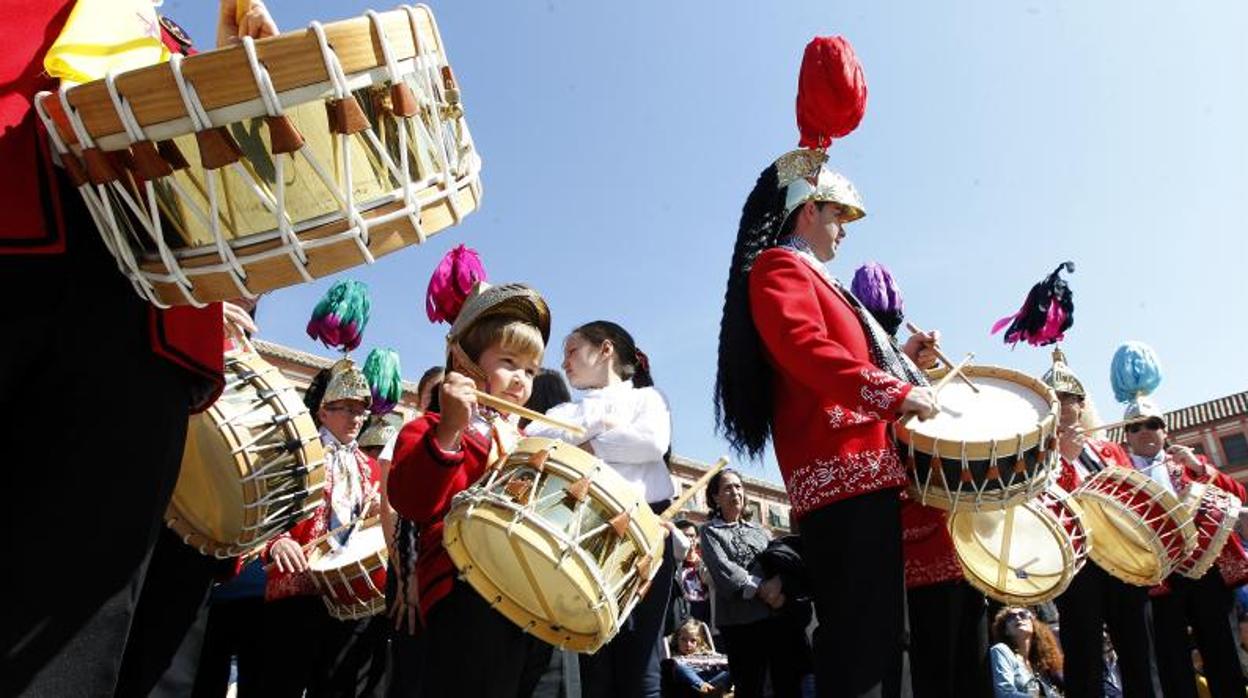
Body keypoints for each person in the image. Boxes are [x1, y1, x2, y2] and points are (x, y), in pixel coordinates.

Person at [714, 143, 939, 697]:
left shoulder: (816, 277)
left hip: (868, 471)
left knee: (884, 638)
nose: (844, 230)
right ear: (809, 211)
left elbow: (850, 350)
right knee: (860, 643)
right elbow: (805, 349)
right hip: (838, 471)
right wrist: (893, 391)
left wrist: (902, 358)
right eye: (838, 215)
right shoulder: (777, 266)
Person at [387, 281, 554, 697]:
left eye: (531, 371)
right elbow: (412, 500)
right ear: (468, 362)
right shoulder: (430, 427)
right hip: (465, 595)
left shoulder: (530, 443)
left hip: (528, 599)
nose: (521, 379)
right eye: (509, 362)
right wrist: (449, 429)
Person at [524, 321, 676, 698]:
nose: (564, 362)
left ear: (605, 350)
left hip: (643, 539)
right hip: (577, 539)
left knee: (641, 671)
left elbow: (651, 441)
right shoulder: (563, 409)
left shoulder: (648, 399)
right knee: (592, 671)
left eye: (572, 350)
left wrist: (588, 446)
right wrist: (599, 425)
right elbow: (532, 444)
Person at [259, 357, 388, 697]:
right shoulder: (299, 453)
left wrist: (378, 515)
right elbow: (267, 508)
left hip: (345, 594)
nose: (355, 418)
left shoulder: (372, 469)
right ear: (323, 411)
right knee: (279, 684)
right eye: (345, 408)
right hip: (296, 587)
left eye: (360, 410)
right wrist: (277, 542)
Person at [1042, 348, 1157, 698]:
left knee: (1139, 652)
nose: (1063, 405)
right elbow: (1043, 506)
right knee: (1083, 653)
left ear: (1081, 404)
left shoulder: (1110, 450)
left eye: (1069, 398)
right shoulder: (1036, 455)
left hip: (1122, 559)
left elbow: (1135, 496)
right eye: (1055, 399)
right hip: (1079, 564)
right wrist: (1064, 459)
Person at [1123, 405, 1248, 698]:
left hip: (1207, 569)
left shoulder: (1192, 463)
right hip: (1160, 578)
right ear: (1126, 436)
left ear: (1165, 430)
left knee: (1223, 650)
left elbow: (1238, 497)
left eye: (1152, 423)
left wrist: (1200, 467)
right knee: (1172, 660)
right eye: (1135, 427)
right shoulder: (1123, 473)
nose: (1144, 431)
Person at [698, 469, 811, 697]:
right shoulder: (709, 532)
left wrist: (777, 585)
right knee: (749, 685)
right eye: (728, 488)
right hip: (738, 622)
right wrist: (761, 588)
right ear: (715, 497)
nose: (735, 492)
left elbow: (774, 559)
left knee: (784, 682)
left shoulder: (760, 530)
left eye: (739, 487)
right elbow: (723, 568)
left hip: (773, 618)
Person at [988, 607, 1064, 697]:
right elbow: (1005, 694)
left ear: (1033, 625)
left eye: (1023, 615)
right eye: (1010, 617)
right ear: (1006, 631)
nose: (1017, 618)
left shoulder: (1039, 663)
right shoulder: (1001, 650)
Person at [668, 619, 731, 696]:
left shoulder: (706, 653)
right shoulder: (676, 655)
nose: (688, 644)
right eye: (683, 640)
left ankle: (709, 691)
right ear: (677, 640)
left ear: (699, 641)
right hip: (692, 683)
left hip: (712, 680)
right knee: (679, 666)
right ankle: (705, 688)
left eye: (693, 640)